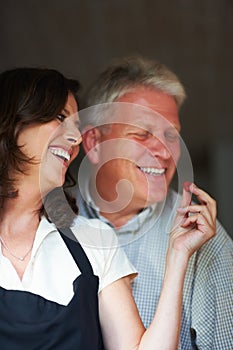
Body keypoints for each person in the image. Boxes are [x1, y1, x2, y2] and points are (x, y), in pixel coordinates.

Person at [0, 67, 216, 349]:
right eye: (60, 117)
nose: (76, 139)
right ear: (13, 123)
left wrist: (177, 255)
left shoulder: (94, 240)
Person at [75, 56, 233, 349]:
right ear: (94, 143)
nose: (164, 151)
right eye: (142, 134)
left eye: (171, 134)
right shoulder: (46, 221)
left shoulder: (201, 235)